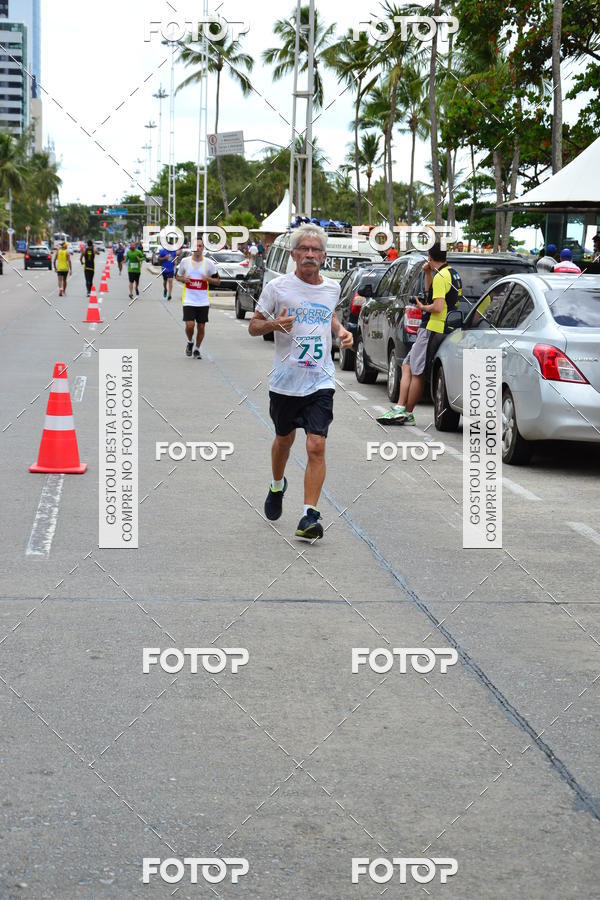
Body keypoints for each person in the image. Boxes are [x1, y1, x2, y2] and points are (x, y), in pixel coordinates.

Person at [248, 224, 353, 541]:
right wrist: (273, 323)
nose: (310, 254)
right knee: (284, 440)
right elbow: (253, 327)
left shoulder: (332, 288)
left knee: (316, 445)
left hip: (320, 379)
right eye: (304, 249)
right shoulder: (278, 288)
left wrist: (341, 331)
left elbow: (327, 314)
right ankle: (277, 485)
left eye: (315, 250)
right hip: (285, 382)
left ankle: (309, 515)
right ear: (294, 255)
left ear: (323, 256)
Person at [376, 242, 462, 426]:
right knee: (408, 366)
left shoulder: (442, 277)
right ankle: (404, 411)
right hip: (440, 328)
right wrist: (427, 272)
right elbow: (432, 292)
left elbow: (437, 306)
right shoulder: (452, 273)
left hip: (432, 327)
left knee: (415, 371)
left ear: (430, 257)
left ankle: (403, 411)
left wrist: (423, 307)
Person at [175, 237, 220, 358]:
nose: (198, 248)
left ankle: (197, 349)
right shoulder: (185, 261)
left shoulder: (209, 264)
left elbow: (218, 281)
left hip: (203, 301)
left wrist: (208, 279)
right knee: (190, 325)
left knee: (201, 327)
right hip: (189, 299)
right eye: (196, 246)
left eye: (200, 246)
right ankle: (190, 341)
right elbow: (177, 276)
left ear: (203, 248)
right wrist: (184, 279)